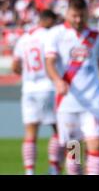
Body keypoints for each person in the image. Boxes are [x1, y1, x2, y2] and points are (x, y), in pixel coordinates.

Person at [44, 0, 99, 175]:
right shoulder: (56, 34)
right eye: (74, 15)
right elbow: (49, 63)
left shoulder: (95, 36)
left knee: (95, 146)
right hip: (67, 104)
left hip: (92, 103)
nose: (78, 20)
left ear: (87, 13)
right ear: (67, 13)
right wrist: (58, 81)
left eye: (82, 16)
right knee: (74, 152)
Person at [12, 9, 64, 175]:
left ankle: (29, 171)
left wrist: (27, 75)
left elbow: (15, 65)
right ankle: (56, 167)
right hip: (50, 87)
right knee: (62, 131)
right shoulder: (51, 35)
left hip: (29, 89)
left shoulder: (24, 38)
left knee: (30, 133)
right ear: (48, 20)